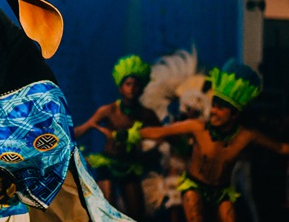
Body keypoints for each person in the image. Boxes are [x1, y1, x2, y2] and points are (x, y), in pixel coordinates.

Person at [129, 59, 289, 222]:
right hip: (195, 187)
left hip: (221, 191)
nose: (213, 111)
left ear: (234, 114)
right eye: (214, 105)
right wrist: (132, 133)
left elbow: (281, 148)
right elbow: (160, 132)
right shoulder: (198, 127)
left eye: (220, 108)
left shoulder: (246, 136)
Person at [73, 54, 161, 221]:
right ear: (120, 88)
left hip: (129, 165)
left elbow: (163, 134)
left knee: (137, 213)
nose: (132, 88)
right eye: (128, 84)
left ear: (142, 88)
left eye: (136, 85)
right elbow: (84, 128)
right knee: (107, 211)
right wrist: (62, 137)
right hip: (108, 164)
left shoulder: (146, 114)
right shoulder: (109, 110)